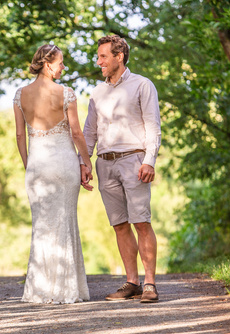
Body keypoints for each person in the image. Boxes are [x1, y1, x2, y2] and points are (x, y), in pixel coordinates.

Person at [80, 35, 162, 303]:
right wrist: (84, 162)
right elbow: (89, 131)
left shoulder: (142, 85)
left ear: (119, 56)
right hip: (105, 164)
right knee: (119, 225)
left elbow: (152, 125)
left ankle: (149, 284)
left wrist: (149, 159)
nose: (98, 61)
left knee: (141, 221)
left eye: (103, 56)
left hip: (134, 161)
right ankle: (132, 282)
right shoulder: (97, 92)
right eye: (98, 56)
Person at [13, 44, 92, 304]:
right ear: (48, 64)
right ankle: (67, 289)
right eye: (61, 62)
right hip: (64, 165)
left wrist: (29, 165)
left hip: (37, 168)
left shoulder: (19, 95)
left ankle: (40, 290)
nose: (63, 67)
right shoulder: (65, 93)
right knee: (65, 222)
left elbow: (20, 135)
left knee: (42, 227)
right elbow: (77, 133)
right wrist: (86, 161)